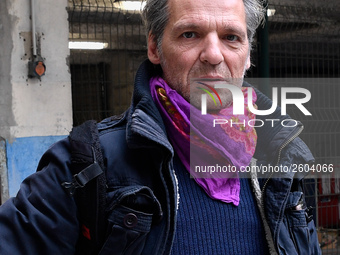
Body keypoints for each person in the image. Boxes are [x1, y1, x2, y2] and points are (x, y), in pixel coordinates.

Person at [0, 0, 321, 254]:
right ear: (154, 46)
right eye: (190, 34)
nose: (213, 54)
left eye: (231, 37)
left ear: (248, 53)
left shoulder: (277, 160)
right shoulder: (83, 166)